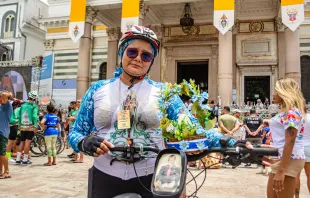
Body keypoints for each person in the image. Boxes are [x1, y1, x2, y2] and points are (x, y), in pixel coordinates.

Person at [67, 26, 252, 198]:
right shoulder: (96, 90)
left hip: (153, 177)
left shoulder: (165, 93)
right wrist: (83, 142)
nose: (138, 58)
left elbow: (193, 128)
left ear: (151, 61)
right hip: (105, 176)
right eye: (132, 52)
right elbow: (76, 133)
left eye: (146, 56)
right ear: (121, 52)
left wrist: (229, 141)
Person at [267, 78, 306, 198]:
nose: (273, 94)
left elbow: (290, 141)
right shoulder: (287, 112)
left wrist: (282, 170)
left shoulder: (291, 113)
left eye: (275, 90)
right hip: (282, 158)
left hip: (289, 159)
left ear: (284, 92)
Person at [16, 91, 39, 165]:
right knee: (27, 143)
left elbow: (19, 116)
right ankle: (25, 160)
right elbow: (35, 116)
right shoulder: (34, 106)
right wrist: (35, 126)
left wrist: (19, 125)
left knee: (22, 142)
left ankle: (18, 159)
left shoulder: (22, 105)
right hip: (30, 126)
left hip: (22, 126)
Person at [295, 105, 310, 198]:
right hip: (309, 146)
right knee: (309, 175)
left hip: (298, 147)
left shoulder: (296, 118)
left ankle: (297, 196)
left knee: (296, 175)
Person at [0, 91, 13, 179]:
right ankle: (0, 171)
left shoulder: (7, 106)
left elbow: (5, 95)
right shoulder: (2, 107)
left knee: (2, 153)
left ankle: (7, 171)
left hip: (2, 133)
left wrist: (9, 94)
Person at [6, 99, 21, 164]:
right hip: (13, 127)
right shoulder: (11, 110)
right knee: (10, 144)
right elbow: (11, 120)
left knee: (10, 144)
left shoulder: (11, 110)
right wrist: (18, 120)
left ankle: (8, 157)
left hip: (12, 127)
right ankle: (8, 158)